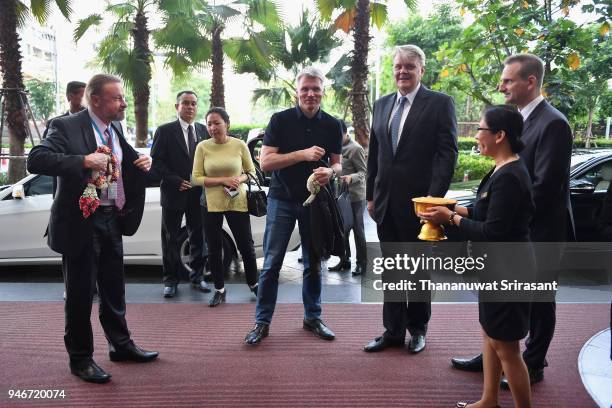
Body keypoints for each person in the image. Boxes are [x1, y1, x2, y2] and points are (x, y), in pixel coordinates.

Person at [27, 74, 158, 384]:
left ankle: (121, 346)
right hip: (81, 221)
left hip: (112, 216)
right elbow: (37, 159)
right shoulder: (66, 126)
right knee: (80, 294)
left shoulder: (115, 128)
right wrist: (83, 160)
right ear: (96, 99)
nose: (124, 103)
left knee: (114, 288)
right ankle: (81, 359)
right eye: (117, 98)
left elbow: (125, 159)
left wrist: (143, 160)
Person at [451, 54, 573, 388]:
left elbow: (544, 187)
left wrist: (502, 218)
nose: (501, 86)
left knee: (539, 300)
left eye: (508, 81)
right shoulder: (515, 120)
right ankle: (496, 352)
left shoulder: (554, 123)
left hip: (539, 233)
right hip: (511, 232)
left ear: (530, 82)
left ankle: (532, 362)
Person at [420, 105, 535, 408]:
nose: (476, 137)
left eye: (481, 130)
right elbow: (483, 212)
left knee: (507, 347)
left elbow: (492, 232)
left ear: (500, 135)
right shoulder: (502, 168)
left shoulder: (510, 175)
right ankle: (489, 400)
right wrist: (447, 209)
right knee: (491, 335)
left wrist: (451, 220)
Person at [363, 44, 458, 354]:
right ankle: (392, 331)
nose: (402, 71)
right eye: (398, 66)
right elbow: (375, 153)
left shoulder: (440, 104)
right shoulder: (381, 104)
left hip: (420, 206)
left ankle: (417, 329)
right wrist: (370, 196)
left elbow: (447, 154)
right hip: (384, 203)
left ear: (421, 71)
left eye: (409, 67)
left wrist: (434, 199)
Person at [244, 67, 342, 345]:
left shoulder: (333, 124)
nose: (310, 94)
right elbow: (265, 163)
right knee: (272, 263)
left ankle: (313, 317)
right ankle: (262, 322)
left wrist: (331, 173)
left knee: (314, 262)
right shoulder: (280, 120)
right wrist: (303, 155)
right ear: (296, 92)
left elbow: (337, 162)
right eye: (305, 89)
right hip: (282, 200)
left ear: (323, 91)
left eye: (316, 89)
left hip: (316, 203)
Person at [192, 107, 259, 306]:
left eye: (216, 123)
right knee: (213, 248)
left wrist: (238, 178)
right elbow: (195, 179)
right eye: (209, 124)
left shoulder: (239, 145)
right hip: (210, 204)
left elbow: (251, 171)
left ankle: (254, 284)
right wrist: (224, 180)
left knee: (246, 246)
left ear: (227, 124)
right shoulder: (202, 147)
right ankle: (219, 289)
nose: (212, 127)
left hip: (237, 200)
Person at [151, 91, 210, 298]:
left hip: (198, 194)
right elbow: (156, 163)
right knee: (171, 238)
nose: (190, 107)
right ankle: (170, 281)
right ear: (177, 106)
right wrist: (176, 181)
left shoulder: (203, 130)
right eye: (185, 103)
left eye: (194, 103)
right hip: (173, 193)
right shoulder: (165, 131)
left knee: (198, 237)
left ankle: (198, 277)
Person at [327, 120, 368, 275]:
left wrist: (351, 177)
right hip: (341, 195)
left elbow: (363, 173)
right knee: (342, 229)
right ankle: (345, 260)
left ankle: (362, 264)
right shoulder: (335, 148)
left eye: (339, 135)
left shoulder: (355, 149)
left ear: (345, 133)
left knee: (358, 229)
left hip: (356, 196)